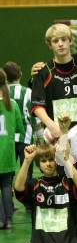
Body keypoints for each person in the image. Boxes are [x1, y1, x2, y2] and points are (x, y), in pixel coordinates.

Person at [13, 117, 77, 243]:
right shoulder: (35, 185)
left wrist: (65, 159)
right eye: (44, 161)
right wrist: (26, 161)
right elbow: (18, 188)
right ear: (39, 164)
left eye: (51, 160)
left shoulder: (66, 182)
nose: (48, 164)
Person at [31, 23, 77, 140]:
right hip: (58, 134)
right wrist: (51, 126)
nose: (60, 44)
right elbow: (37, 106)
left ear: (70, 41)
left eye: (64, 39)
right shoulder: (43, 73)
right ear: (49, 45)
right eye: (55, 41)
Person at [0, 69, 24, 229]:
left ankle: (0, 219)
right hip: (7, 153)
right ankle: (8, 220)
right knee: (7, 186)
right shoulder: (12, 104)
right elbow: (19, 129)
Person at [3, 61, 35, 182]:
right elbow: (34, 116)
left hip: (7, 139)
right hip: (25, 138)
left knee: (7, 175)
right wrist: (40, 136)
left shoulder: (1, 94)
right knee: (27, 172)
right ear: (20, 74)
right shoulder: (27, 92)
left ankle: (7, 197)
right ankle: (27, 198)